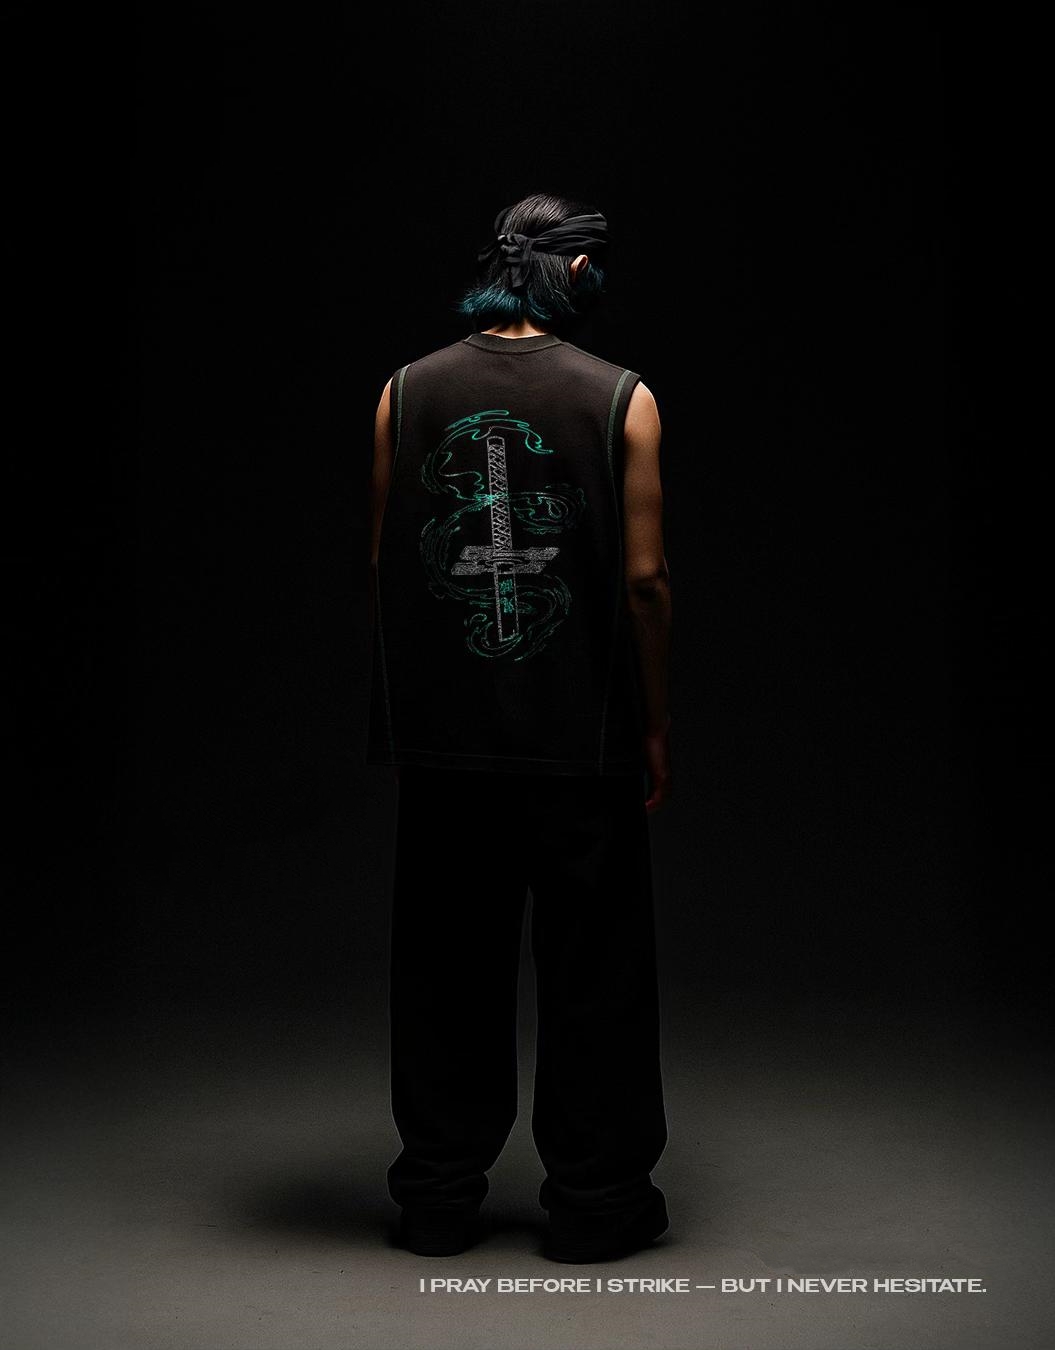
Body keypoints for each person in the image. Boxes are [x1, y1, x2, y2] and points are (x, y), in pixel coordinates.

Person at [366, 192, 673, 1263]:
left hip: (447, 741)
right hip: (581, 738)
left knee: (444, 965)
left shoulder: (405, 391)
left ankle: (438, 1197)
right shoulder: (623, 398)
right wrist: (654, 726)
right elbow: (645, 583)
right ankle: (597, 1202)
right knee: (596, 969)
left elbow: (384, 563)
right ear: (577, 272)